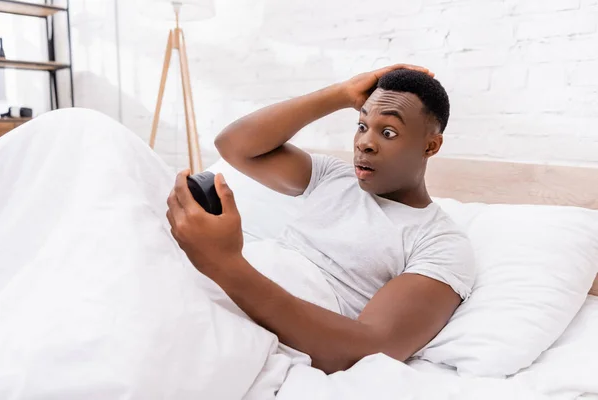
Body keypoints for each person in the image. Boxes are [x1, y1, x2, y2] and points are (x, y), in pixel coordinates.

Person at [166, 64, 476, 374]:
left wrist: (225, 264)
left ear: (430, 146)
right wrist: (340, 94)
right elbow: (234, 146)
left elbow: (372, 349)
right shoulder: (333, 176)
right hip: (213, 281)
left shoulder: (440, 242)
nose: (364, 143)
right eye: (362, 124)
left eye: (389, 132)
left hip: (246, 311)